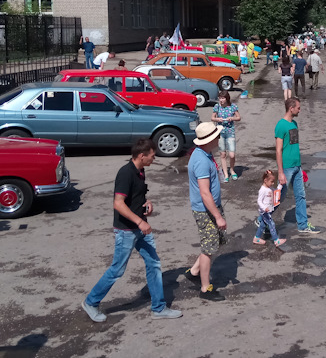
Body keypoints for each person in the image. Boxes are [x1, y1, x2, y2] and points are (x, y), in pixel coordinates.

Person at [82, 139, 182, 322]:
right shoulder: (125, 173)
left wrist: (147, 203)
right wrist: (140, 222)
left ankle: (158, 308)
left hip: (139, 228)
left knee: (154, 264)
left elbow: (137, 196)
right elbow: (118, 204)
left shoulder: (140, 171)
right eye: (152, 156)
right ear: (142, 156)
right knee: (117, 269)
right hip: (127, 230)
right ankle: (91, 302)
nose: (154, 158)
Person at [183, 123, 227, 301]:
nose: (219, 138)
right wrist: (217, 216)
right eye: (217, 135)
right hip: (205, 210)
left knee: (214, 241)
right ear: (209, 139)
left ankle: (194, 271)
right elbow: (204, 192)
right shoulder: (201, 160)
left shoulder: (203, 154)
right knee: (208, 248)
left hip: (210, 208)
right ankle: (205, 288)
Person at [275, 97, 323, 235]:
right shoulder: (281, 125)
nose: (300, 110)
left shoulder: (294, 124)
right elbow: (278, 150)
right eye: (298, 108)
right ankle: (262, 219)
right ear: (291, 108)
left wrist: (300, 167)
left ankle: (302, 225)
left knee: (301, 195)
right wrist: (280, 172)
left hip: (297, 166)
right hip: (287, 168)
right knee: (280, 197)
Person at [211, 90, 241, 183]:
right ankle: (226, 174)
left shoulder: (233, 106)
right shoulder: (217, 107)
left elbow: (239, 117)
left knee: (232, 154)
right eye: (220, 98)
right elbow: (212, 118)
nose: (221, 100)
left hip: (230, 132)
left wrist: (232, 118)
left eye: (223, 98)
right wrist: (217, 119)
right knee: (222, 154)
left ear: (227, 98)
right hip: (220, 132)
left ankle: (232, 170)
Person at [254, 170, 287, 246]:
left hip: (268, 210)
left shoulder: (270, 188)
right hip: (264, 211)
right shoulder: (262, 190)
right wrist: (264, 208)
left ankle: (256, 238)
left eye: (273, 182)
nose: (272, 183)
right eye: (271, 182)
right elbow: (259, 201)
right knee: (271, 224)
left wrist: (281, 185)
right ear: (265, 180)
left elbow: (276, 191)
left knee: (263, 225)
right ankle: (276, 240)